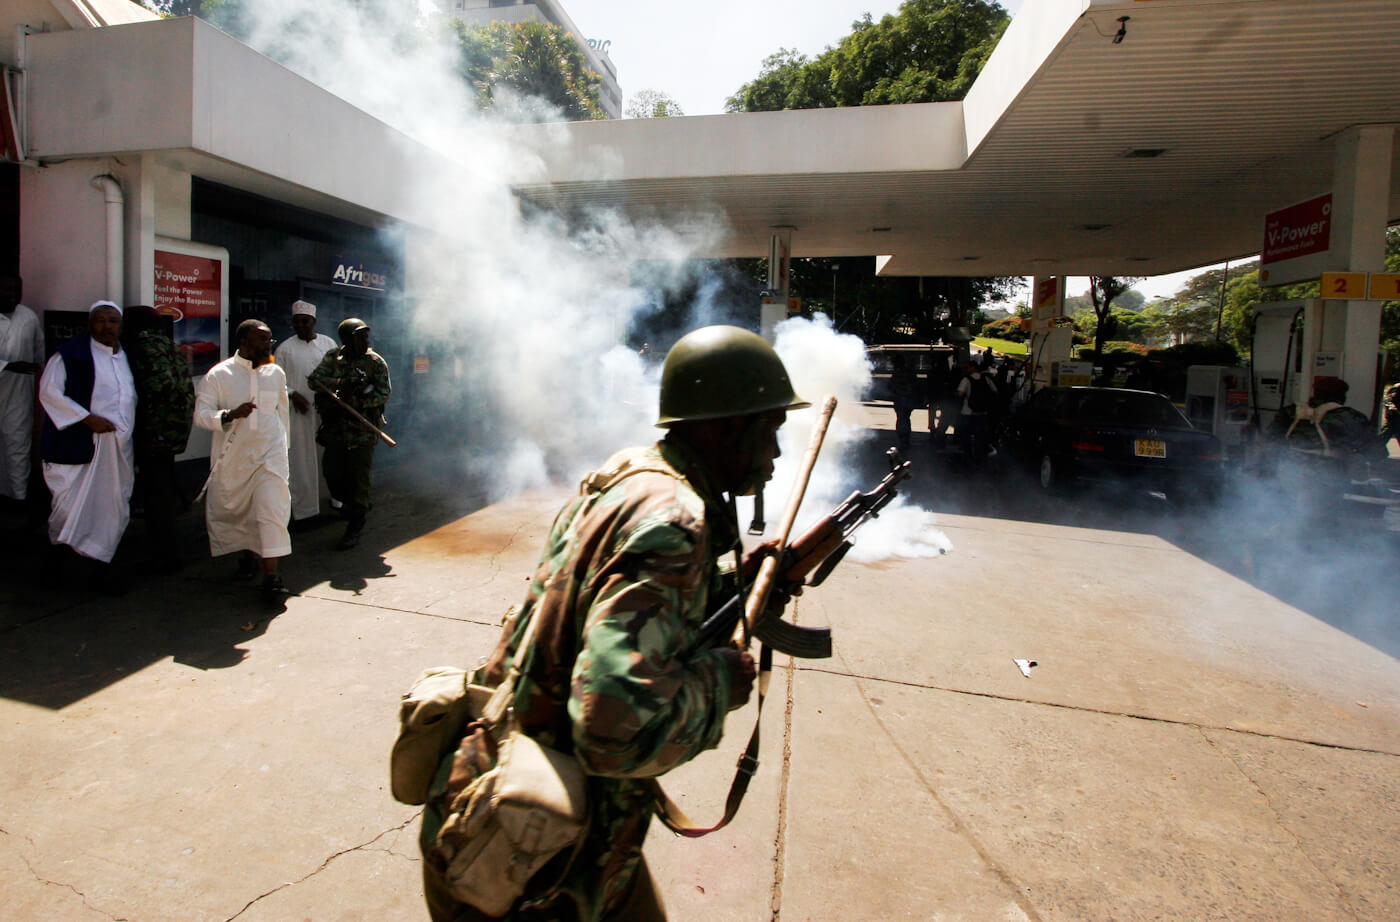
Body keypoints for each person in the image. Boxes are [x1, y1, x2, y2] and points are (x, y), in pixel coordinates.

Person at [419, 325, 803, 922]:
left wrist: (733, 587)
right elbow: (613, 733)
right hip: (533, 859)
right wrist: (719, 684)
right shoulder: (675, 522)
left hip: (510, 801)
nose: (775, 455)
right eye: (771, 431)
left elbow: (610, 606)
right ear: (728, 426)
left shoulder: (629, 478)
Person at [38, 300, 137, 590]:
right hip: (80, 446)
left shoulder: (125, 356)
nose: (107, 327)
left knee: (111, 508)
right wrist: (86, 418)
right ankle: (59, 572)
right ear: (90, 324)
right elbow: (50, 393)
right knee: (70, 509)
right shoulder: (70, 355)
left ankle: (99, 572)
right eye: (101, 321)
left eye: (113, 321)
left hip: (117, 451)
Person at [195, 319, 293, 597]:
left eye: (270, 339)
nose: (268, 345)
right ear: (244, 343)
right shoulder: (219, 375)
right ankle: (247, 556)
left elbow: (281, 413)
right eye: (263, 340)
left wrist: (285, 450)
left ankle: (272, 575)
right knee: (242, 512)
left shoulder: (275, 373)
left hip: (270, 457)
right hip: (236, 460)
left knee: (270, 509)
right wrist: (228, 415)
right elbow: (200, 415)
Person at [122, 306, 195, 572]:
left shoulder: (139, 347)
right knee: (161, 490)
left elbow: (153, 390)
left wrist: (151, 430)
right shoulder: (171, 347)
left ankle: (162, 553)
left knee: (156, 494)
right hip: (172, 432)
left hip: (151, 432)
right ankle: (166, 549)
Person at [307, 317, 390, 550]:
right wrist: (340, 383)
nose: (365, 340)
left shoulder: (375, 362)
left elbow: (383, 393)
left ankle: (356, 522)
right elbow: (314, 381)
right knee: (331, 472)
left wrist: (360, 400)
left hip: (362, 430)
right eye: (360, 336)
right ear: (347, 339)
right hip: (335, 429)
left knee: (359, 479)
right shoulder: (334, 358)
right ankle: (350, 506)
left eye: (366, 336)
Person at [274, 300, 337, 523]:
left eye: (305, 321)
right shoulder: (284, 349)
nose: (301, 325)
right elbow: (275, 381)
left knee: (328, 457)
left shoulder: (328, 343)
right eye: (297, 322)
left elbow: (338, 372)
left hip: (326, 411)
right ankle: (306, 512)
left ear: (314, 322)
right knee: (301, 461)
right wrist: (292, 393)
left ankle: (336, 501)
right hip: (299, 413)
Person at [0, 275, 44, 504]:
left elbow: (40, 351)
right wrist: (8, 365)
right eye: (6, 288)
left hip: (18, 394)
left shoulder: (28, 317)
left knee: (17, 443)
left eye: (16, 289)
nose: (12, 294)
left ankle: (18, 499)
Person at [955, 358, 998, 461]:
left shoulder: (966, 380)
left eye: (967, 367)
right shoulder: (986, 379)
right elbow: (995, 391)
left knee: (966, 435)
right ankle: (980, 455)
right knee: (980, 436)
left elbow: (960, 393)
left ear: (972, 368)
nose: (966, 369)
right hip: (982, 412)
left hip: (968, 412)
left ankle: (968, 456)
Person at [889, 352, 918, 452]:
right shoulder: (910, 372)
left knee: (901, 421)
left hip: (901, 400)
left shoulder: (897, 373)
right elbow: (915, 385)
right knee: (906, 420)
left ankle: (903, 441)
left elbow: (891, 386)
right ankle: (906, 440)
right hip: (908, 401)